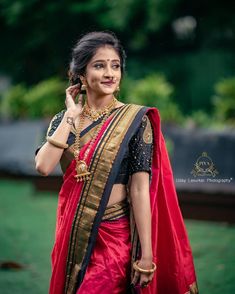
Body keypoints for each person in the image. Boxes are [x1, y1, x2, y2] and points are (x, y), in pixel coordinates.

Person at [35, 31, 198, 294]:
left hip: (116, 236)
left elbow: (139, 189)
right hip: (74, 231)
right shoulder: (63, 120)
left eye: (116, 65)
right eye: (99, 66)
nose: (110, 73)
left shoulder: (134, 121)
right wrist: (70, 117)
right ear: (80, 74)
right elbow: (43, 167)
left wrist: (147, 253)